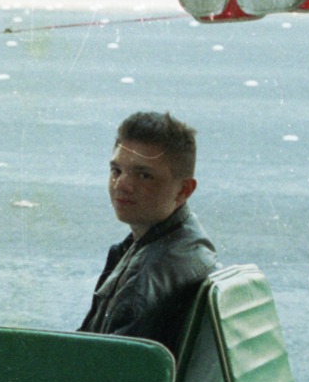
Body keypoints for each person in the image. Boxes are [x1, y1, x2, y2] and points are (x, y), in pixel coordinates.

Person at [79, 110, 216, 358]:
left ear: (184, 190)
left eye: (144, 175)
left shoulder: (145, 278)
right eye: (116, 170)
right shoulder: (192, 243)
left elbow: (98, 376)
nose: (122, 185)